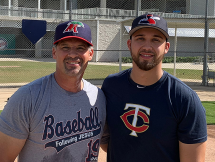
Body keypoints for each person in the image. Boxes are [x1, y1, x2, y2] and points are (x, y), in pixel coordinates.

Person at [100, 14, 207, 162]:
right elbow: (110, 144)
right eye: (140, 38)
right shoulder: (111, 86)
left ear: (166, 47)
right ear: (129, 44)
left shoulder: (183, 98)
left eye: (156, 40)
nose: (147, 46)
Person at [0, 20, 106, 162]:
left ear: (91, 53)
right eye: (65, 47)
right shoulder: (28, 97)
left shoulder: (99, 97)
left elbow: (107, 143)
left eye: (80, 48)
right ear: (54, 52)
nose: (73, 54)